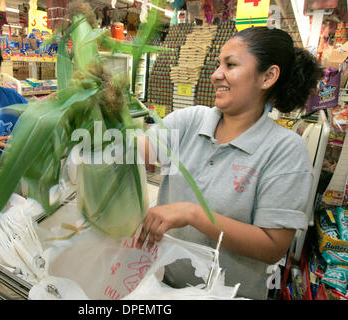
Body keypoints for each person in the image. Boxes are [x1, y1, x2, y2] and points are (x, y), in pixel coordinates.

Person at [136, 27, 322, 299]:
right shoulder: (190, 121)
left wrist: (194, 214)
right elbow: (135, 153)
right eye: (218, 64)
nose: (215, 75)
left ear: (268, 76)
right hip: (166, 287)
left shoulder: (285, 150)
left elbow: (272, 246)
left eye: (231, 65)